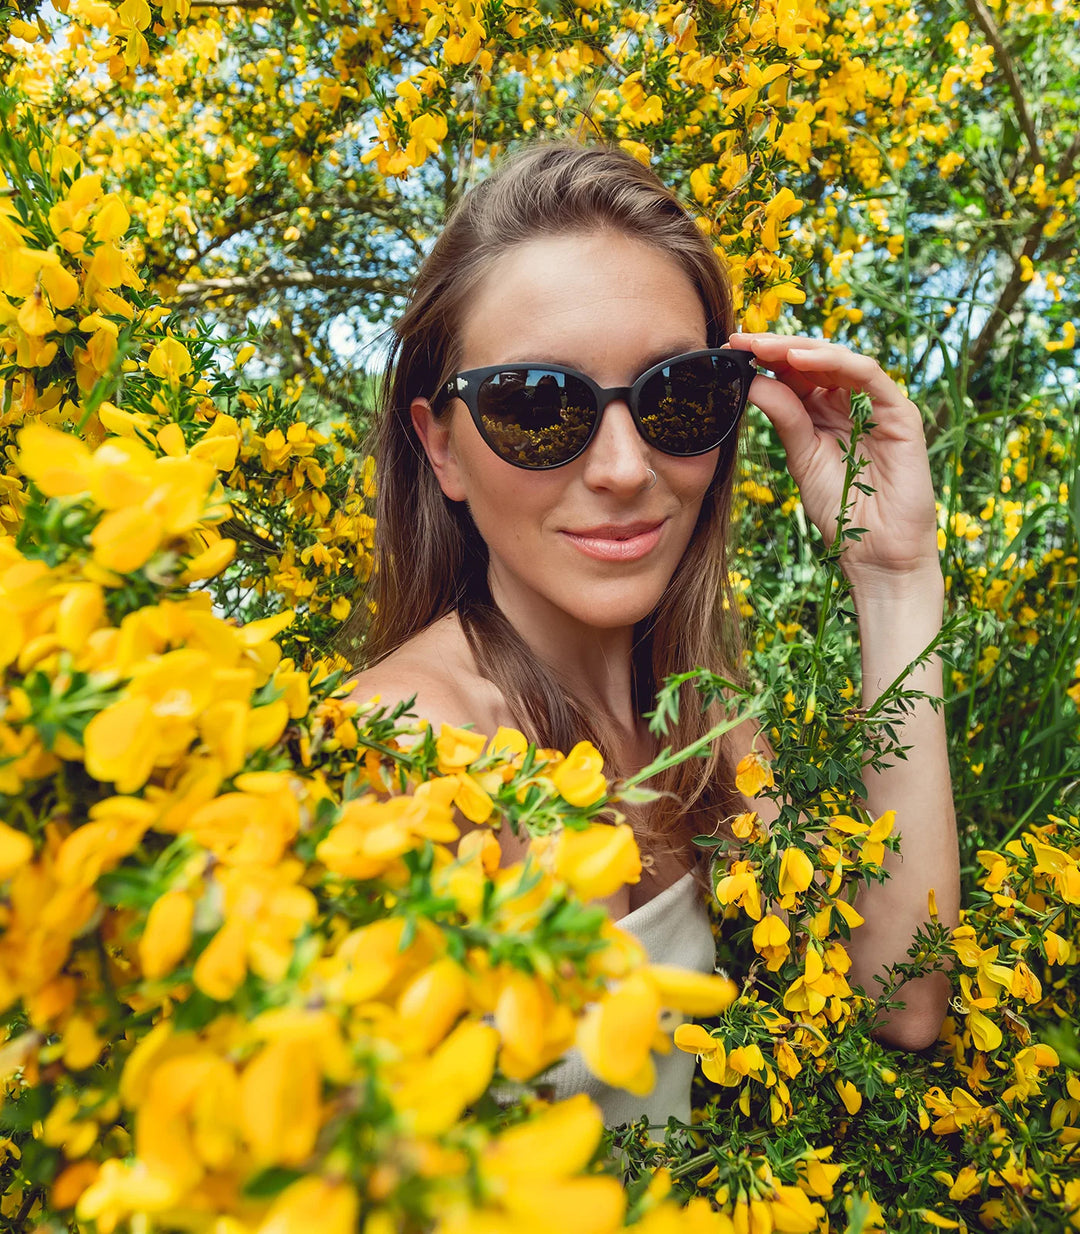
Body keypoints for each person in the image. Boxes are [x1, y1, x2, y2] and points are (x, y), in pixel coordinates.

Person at [343, 142, 960, 1126]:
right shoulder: (399, 759)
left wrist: (892, 578)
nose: (626, 466)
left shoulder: (708, 728)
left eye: (679, 395)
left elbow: (903, 996)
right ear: (441, 447)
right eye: (537, 406)